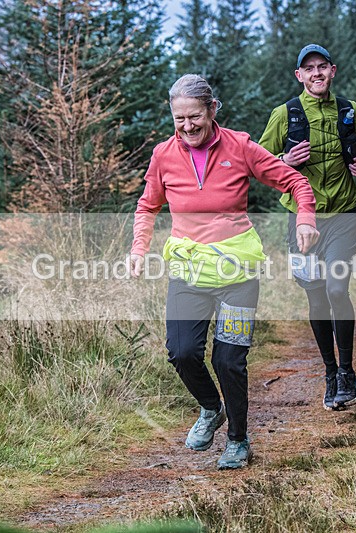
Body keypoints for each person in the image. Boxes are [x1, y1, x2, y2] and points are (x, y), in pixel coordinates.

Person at [129, 74, 319, 469]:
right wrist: (138, 248)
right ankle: (211, 408)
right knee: (181, 352)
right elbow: (147, 206)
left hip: (238, 276)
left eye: (195, 116)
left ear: (212, 109)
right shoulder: (164, 155)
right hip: (189, 272)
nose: (187, 126)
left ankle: (238, 440)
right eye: (179, 118)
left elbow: (295, 182)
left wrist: (305, 218)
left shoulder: (240, 146)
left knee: (229, 360)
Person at [259, 44, 356, 411]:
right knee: (316, 297)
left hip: (344, 214)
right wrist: (284, 160)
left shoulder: (348, 110)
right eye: (308, 68)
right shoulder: (285, 114)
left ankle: (347, 372)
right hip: (302, 220)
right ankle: (329, 373)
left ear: (332, 70)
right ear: (299, 76)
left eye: (321, 66)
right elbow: (259, 162)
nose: (316, 73)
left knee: (337, 289)